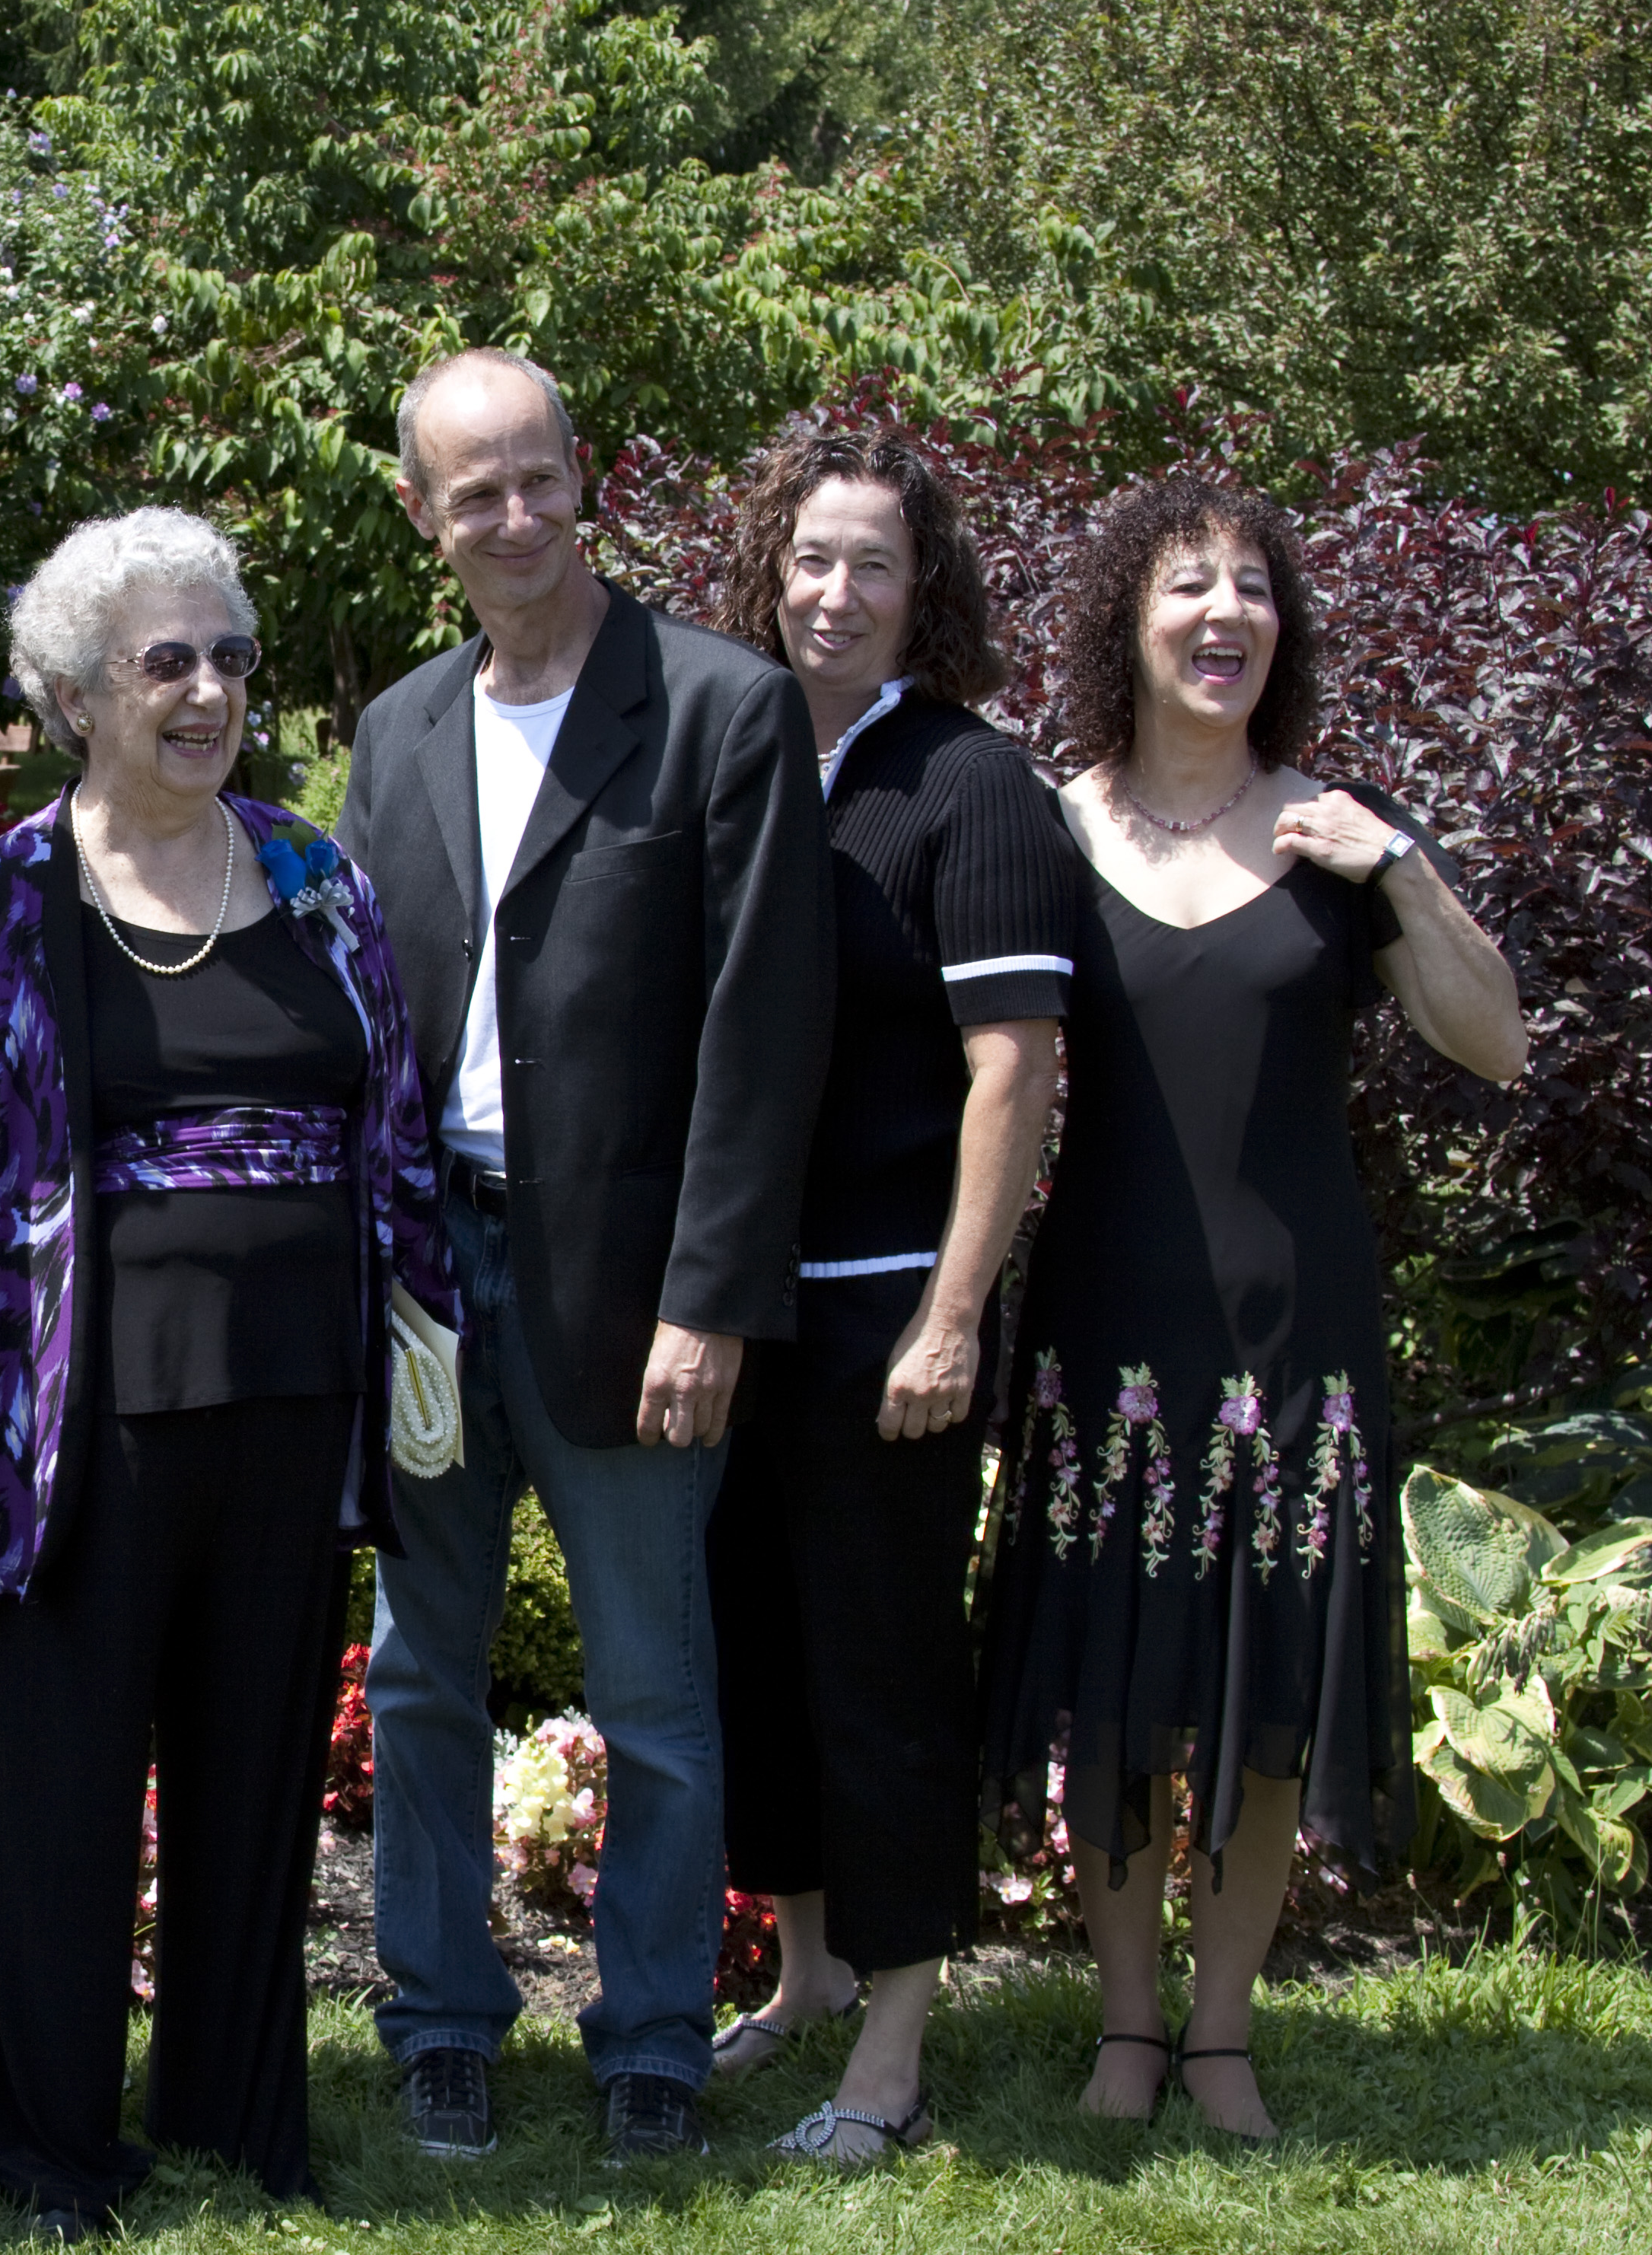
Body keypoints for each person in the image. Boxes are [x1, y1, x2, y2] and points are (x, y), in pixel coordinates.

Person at [0, 511, 454, 2237]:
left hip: (295, 1388)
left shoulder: (312, 874)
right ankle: (49, 2136)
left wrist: (422, 1351)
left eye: (228, 657)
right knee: (58, 1773)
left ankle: (232, 2104)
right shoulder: (8, 891)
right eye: (165, 663)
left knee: (256, 1756)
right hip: (77, 1404)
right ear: (76, 696)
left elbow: (397, 1123)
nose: (207, 692)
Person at [977, 474, 1526, 2141]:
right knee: (1119, 1682)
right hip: (1105, 1321)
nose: (1226, 614)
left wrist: (1399, 867)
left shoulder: (1338, 832)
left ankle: (1222, 2036)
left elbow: (1495, 1042)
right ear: (1125, 623)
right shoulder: (1051, 828)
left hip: (1301, 1333)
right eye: (1187, 586)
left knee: (1266, 1685)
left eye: (1253, 588)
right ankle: (1127, 2024)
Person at [338, 348, 834, 2161]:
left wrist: (711, 1301)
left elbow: (763, 1036)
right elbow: (359, 1017)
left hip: (631, 1291)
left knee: (653, 1690)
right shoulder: (397, 731)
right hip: (428, 1281)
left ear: (587, 476)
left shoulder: (719, 709)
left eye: (539, 476)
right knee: (420, 1671)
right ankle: (441, 2018)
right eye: (475, 491)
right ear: (424, 515)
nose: (516, 515)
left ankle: (651, 2041)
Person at [693, 422, 1074, 2164]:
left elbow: (1015, 1068)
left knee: (882, 1676)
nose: (835, 592)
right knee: (762, 1658)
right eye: (812, 558)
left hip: (882, 1315)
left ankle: (895, 2058)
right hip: (738, 1308)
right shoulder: (745, 750)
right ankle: (807, 1980)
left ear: (928, 594)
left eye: (876, 565)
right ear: (770, 571)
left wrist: (952, 1314)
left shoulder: (968, 783)